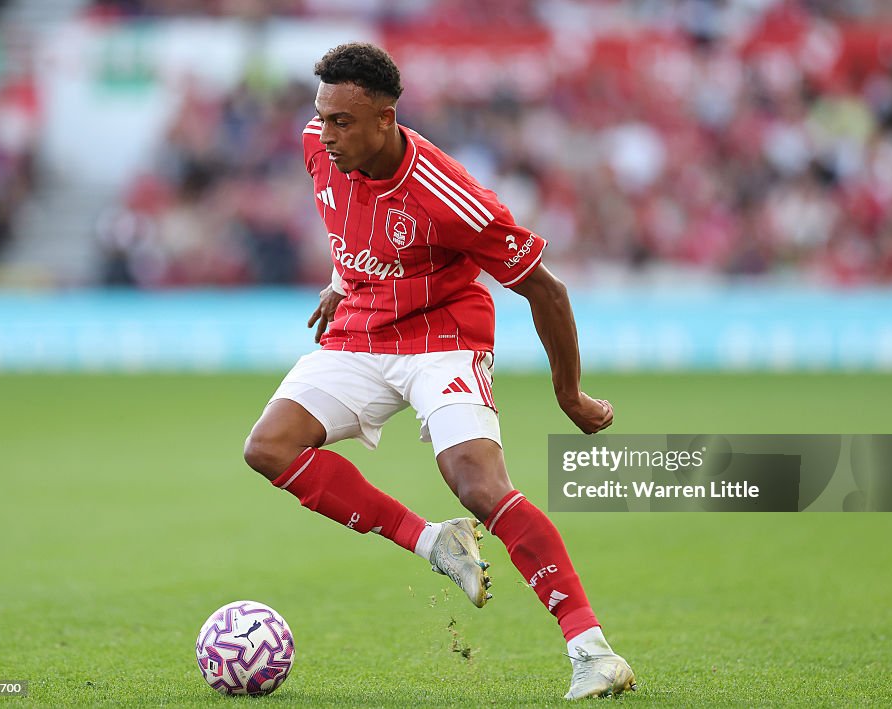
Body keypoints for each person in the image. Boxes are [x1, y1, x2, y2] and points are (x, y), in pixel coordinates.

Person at [243, 42, 636, 700]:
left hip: (443, 335)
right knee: (268, 447)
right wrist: (343, 278)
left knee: (477, 483)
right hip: (363, 328)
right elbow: (357, 220)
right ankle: (434, 543)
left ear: (386, 118)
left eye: (343, 120)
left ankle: (592, 650)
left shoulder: (450, 195)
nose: (326, 132)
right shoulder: (319, 145)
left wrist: (568, 391)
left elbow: (548, 291)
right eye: (323, 116)